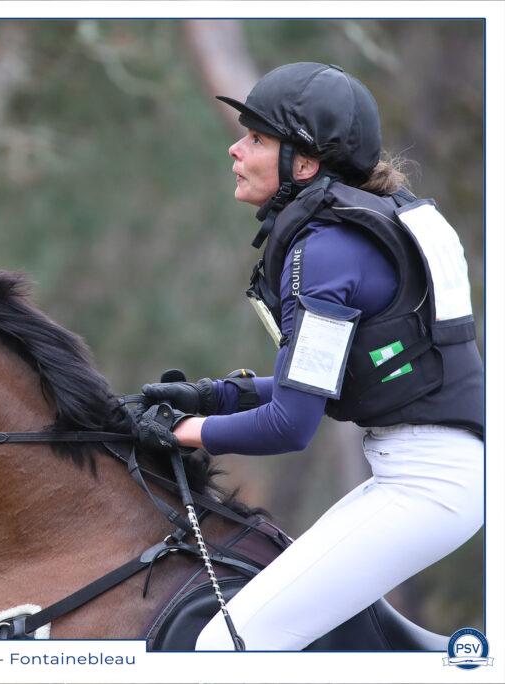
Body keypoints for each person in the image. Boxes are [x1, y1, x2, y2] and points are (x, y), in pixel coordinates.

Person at [137, 62, 484, 651]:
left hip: (427, 486)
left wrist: (181, 432)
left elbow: (291, 425)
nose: (235, 148)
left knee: (224, 649)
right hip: (431, 475)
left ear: (304, 164)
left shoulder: (324, 251)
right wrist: (212, 396)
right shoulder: (357, 230)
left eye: (257, 139)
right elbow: (321, 384)